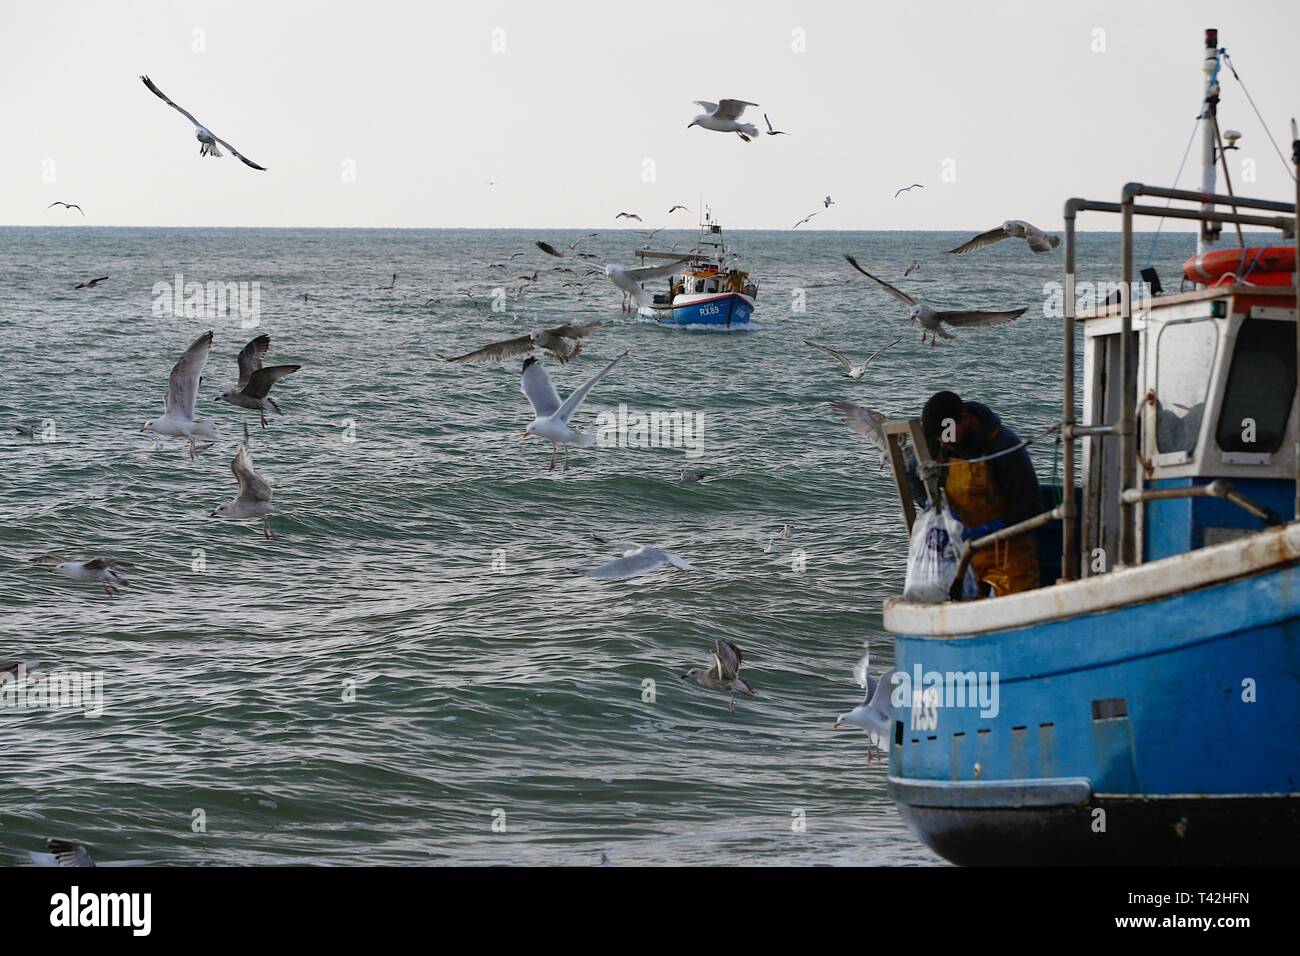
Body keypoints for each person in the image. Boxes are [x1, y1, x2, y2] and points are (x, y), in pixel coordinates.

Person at [909, 390, 1042, 597]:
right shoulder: (939, 441)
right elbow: (913, 476)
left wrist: (992, 528)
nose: (944, 442)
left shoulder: (1004, 445)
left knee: (1017, 611)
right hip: (962, 554)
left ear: (965, 418)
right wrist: (930, 503)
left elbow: (1031, 505)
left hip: (1010, 553)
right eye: (939, 437)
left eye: (949, 434)